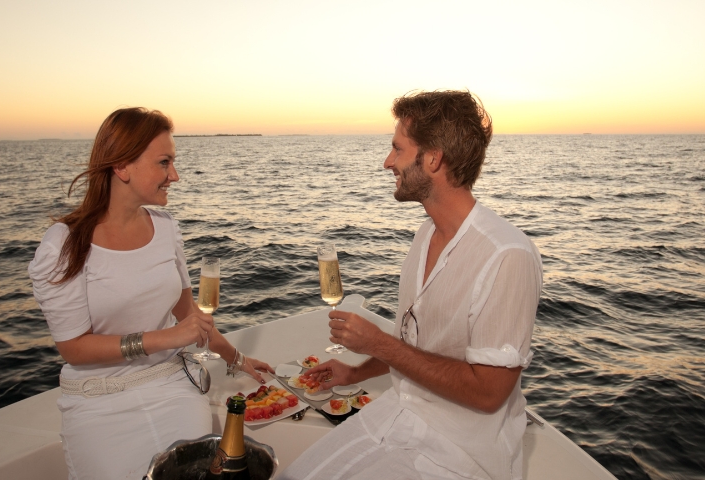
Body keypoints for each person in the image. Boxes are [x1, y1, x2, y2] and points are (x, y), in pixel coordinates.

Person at [278, 91, 543, 480]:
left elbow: (488, 393)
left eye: (397, 149)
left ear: (433, 158)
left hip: (458, 450)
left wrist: (378, 343)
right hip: (399, 413)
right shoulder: (426, 234)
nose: (388, 162)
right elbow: (416, 346)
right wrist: (355, 373)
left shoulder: (507, 255)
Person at [28, 107, 274, 480]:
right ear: (123, 167)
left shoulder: (165, 227)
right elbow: (73, 347)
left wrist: (238, 359)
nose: (174, 175)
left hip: (171, 386)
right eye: (164, 162)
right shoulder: (62, 245)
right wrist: (164, 338)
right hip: (98, 400)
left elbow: (187, 311)